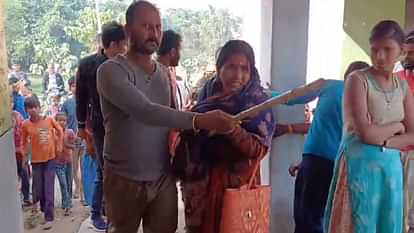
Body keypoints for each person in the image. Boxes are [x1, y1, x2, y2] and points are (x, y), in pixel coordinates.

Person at [96, 2, 238, 233]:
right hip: (123, 177)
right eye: (146, 26)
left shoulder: (164, 75)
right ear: (128, 29)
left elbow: (171, 119)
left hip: (163, 175)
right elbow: (145, 111)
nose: (154, 33)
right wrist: (200, 120)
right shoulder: (111, 71)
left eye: (158, 27)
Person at [172, 39, 275, 233]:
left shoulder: (257, 102)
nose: (238, 75)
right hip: (200, 188)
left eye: (245, 69)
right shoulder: (207, 95)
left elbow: (258, 149)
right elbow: (192, 134)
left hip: (235, 189)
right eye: (231, 67)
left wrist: (232, 129)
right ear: (219, 69)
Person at [324, 20, 414, 233]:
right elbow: (365, 134)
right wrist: (397, 125)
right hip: (359, 169)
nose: (380, 56)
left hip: (389, 172)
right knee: (358, 224)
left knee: (387, 225)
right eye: (375, 50)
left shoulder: (401, 86)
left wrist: (385, 140)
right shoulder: (358, 80)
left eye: (387, 49)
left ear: (401, 52)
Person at [274, 61, 370, 233]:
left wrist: (264, 94)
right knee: (321, 218)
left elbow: (291, 98)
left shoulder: (331, 86)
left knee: (306, 218)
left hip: (316, 162)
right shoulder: (365, 104)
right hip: (338, 166)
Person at [76, 21, 127, 231]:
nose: (126, 48)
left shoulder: (126, 63)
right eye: (124, 44)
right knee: (103, 171)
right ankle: (98, 213)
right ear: (113, 44)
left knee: (121, 171)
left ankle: (113, 211)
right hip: (100, 128)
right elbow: (80, 98)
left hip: (124, 127)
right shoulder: (88, 65)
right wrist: (81, 126)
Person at [22, 96, 63, 230]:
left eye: (35, 107)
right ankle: (44, 210)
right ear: (26, 110)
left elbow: (60, 131)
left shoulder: (49, 120)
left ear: (39, 107)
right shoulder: (25, 124)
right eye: (30, 108)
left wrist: (59, 144)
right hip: (35, 161)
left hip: (50, 159)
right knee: (38, 189)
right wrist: (24, 157)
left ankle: (49, 217)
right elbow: (24, 142)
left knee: (48, 187)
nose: (33, 110)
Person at [63, 77, 86, 203]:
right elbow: (62, 121)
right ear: (70, 88)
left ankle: (83, 191)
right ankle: (76, 188)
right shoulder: (67, 104)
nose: (75, 88)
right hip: (72, 140)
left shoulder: (87, 101)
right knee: (74, 166)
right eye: (73, 86)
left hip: (84, 138)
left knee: (83, 166)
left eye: (77, 85)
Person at [157, 29, 189, 110]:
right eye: (179, 50)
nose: (180, 55)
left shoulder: (169, 72)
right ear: (173, 52)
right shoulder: (160, 77)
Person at [54, 112, 76, 216]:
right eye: (59, 120)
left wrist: (67, 144)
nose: (62, 122)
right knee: (63, 184)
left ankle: (66, 202)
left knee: (68, 183)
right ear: (56, 121)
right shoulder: (53, 133)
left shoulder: (70, 132)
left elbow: (75, 145)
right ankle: (67, 206)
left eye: (64, 120)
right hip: (58, 163)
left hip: (68, 161)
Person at [11, 95, 31, 207]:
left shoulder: (18, 116)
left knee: (24, 174)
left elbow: (25, 136)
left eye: (11, 102)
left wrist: (26, 153)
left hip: (20, 153)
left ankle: (26, 197)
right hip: (9, 154)